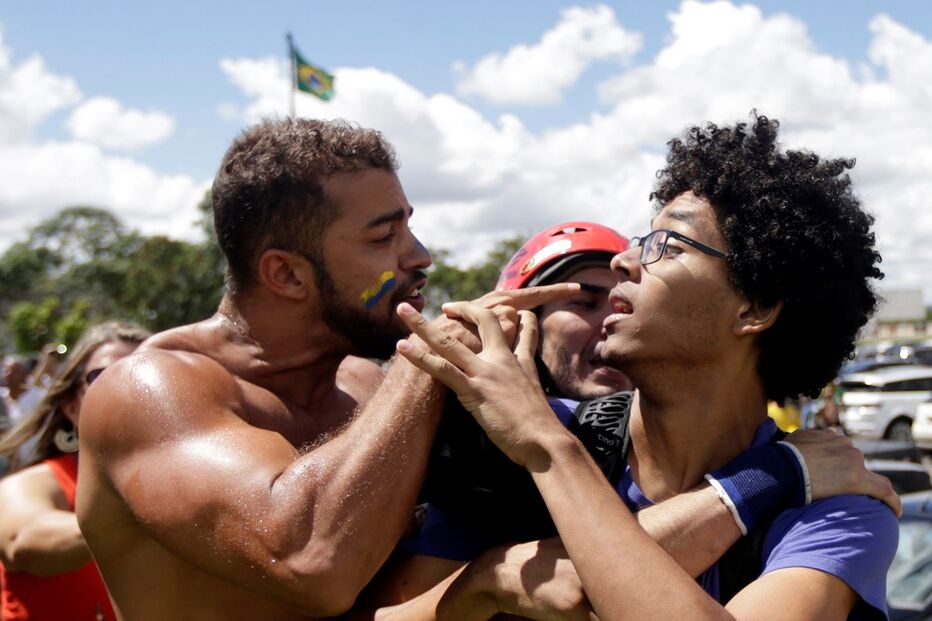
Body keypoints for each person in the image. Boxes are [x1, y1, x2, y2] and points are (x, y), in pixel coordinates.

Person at [396, 114, 899, 619]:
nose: (625, 259)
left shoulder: (836, 508)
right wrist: (486, 579)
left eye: (669, 246)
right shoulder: (516, 452)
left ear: (754, 309)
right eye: (643, 239)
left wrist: (547, 446)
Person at [75, 118, 573, 620]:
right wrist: (427, 361)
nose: (420, 256)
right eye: (383, 237)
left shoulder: (362, 382)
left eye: (408, 225)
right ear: (287, 274)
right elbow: (312, 562)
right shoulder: (148, 390)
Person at [0, 321, 150, 621]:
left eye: (150, 374)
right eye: (105, 377)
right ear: (71, 408)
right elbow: (24, 542)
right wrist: (147, 515)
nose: (133, 389)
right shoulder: (34, 482)